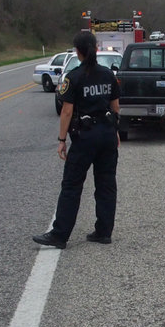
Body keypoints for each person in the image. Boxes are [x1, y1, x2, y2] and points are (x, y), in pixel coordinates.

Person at [32, 30, 120, 250]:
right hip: (107, 135)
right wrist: (115, 131)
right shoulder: (108, 75)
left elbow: (67, 112)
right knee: (106, 183)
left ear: (78, 51)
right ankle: (104, 231)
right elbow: (115, 107)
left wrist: (62, 140)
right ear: (96, 49)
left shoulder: (73, 77)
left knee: (71, 185)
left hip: (85, 138)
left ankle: (59, 235)